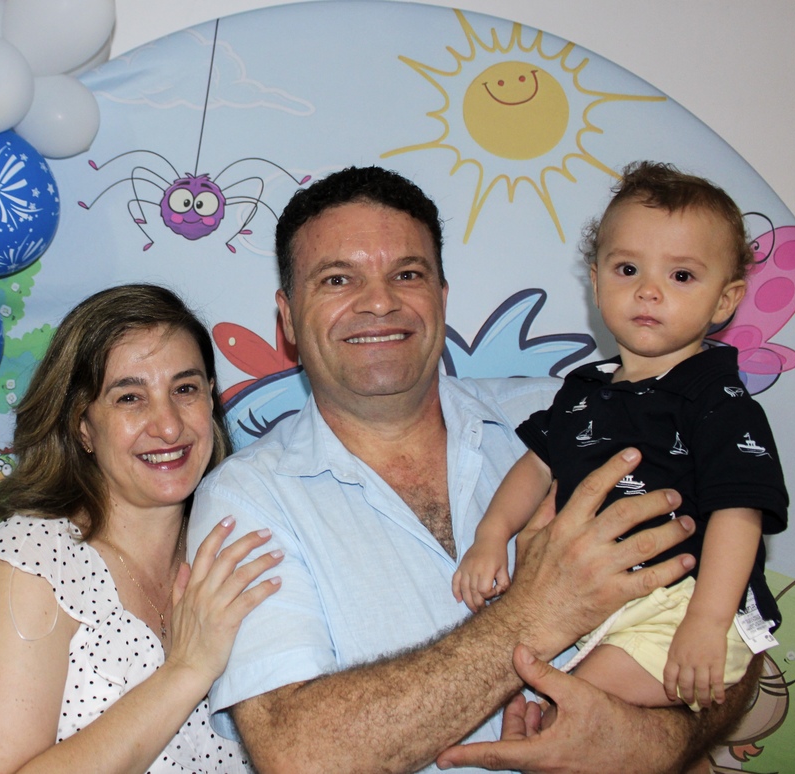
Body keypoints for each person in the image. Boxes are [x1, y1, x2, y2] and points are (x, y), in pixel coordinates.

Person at [189, 166, 759, 774]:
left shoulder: (578, 416)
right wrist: (537, 613)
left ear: (441, 297)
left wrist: (646, 742)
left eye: (407, 274)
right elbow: (300, 756)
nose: (379, 301)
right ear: (287, 317)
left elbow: (737, 637)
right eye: (337, 279)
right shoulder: (245, 499)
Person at [453, 161, 787, 712]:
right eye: (628, 269)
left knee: (566, 706)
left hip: (686, 607)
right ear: (595, 281)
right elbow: (536, 466)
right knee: (545, 701)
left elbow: (740, 512)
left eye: (681, 276)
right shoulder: (582, 390)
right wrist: (492, 536)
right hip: (601, 607)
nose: (648, 291)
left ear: (725, 300)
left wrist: (707, 619)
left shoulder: (719, 401)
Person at [0, 284, 284, 774]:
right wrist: (186, 670)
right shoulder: (38, 558)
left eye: (185, 389)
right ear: (82, 425)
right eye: (130, 397)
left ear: (211, 399)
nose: (168, 426)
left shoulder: (234, 552)